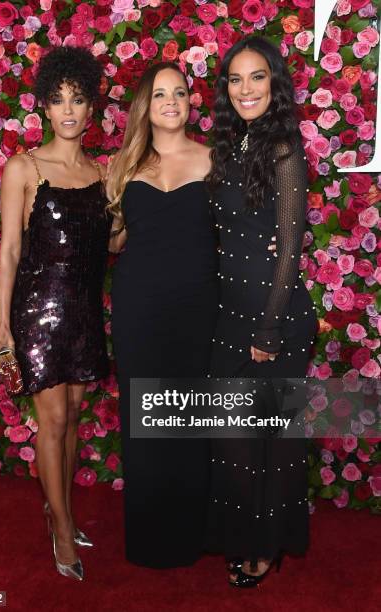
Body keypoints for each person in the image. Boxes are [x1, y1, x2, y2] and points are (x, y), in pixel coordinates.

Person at [0, 46, 110, 582]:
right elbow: (9, 250)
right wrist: (0, 323)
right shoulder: (24, 166)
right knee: (53, 420)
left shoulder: (103, 173)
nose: (67, 109)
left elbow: (112, 243)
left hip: (83, 312)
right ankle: (61, 526)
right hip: (39, 310)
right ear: (43, 106)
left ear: (91, 110)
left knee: (75, 419)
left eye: (77, 99)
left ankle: (58, 507)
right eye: (57, 99)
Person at [205, 37, 317, 587]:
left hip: (275, 321)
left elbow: (290, 248)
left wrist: (270, 328)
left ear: (274, 85)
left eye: (257, 78)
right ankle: (246, 533)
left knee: (273, 443)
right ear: (225, 89)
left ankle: (266, 547)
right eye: (235, 79)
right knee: (234, 439)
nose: (245, 89)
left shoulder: (283, 148)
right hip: (231, 317)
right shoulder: (231, 146)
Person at [106, 62, 219, 568]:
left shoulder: (214, 159)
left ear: (191, 102)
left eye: (180, 92)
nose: (171, 101)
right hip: (139, 307)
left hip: (198, 307)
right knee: (147, 419)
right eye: (159, 94)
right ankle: (150, 538)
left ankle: (192, 534)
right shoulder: (125, 165)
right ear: (145, 106)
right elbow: (117, 239)